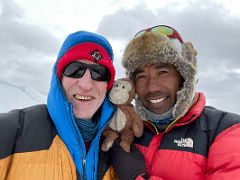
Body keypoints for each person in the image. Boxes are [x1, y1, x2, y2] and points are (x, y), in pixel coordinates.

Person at [110, 25, 240, 179]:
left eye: (163, 72)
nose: (152, 87)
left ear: (184, 77)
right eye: (141, 76)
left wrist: (135, 176)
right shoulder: (126, 128)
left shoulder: (226, 130)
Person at [0, 31, 117, 180]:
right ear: (59, 78)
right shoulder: (13, 132)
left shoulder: (121, 147)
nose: (86, 84)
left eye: (99, 72)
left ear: (108, 85)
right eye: (75, 70)